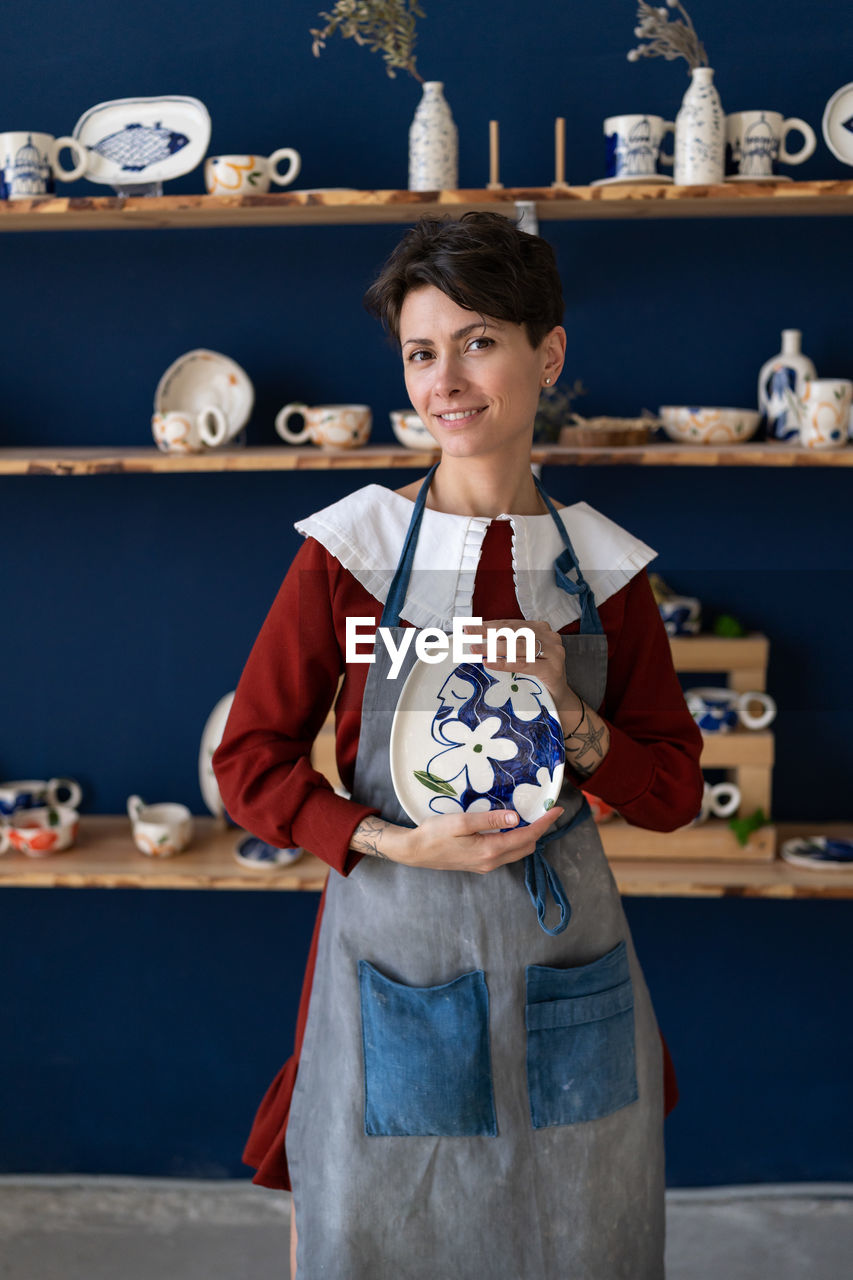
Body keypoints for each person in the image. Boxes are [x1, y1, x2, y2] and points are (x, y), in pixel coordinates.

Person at [213, 212, 704, 1279]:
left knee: (579, 1237)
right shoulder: (352, 552)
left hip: (565, 961)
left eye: (478, 340)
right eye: (421, 351)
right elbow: (249, 758)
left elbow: (671, 789)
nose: (447, 380)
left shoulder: (606, 575)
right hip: (395, 953)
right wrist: (392, 842)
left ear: (548, 352)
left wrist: (571, 712)